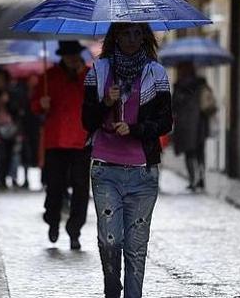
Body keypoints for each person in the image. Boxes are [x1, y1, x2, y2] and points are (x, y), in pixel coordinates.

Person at [83, 22, 172, 298]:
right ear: (115, 37)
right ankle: (112, 287)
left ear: (144, 37)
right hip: (105, 170)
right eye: (125, 33)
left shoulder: (155, 74)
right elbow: (86, 121)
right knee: (110, 241)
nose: (132, 39)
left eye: (137, 33)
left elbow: (165, 122)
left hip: (143, 173)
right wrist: (106, 104)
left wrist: (134, 129)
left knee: (136, 248)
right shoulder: (98, 72)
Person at [30, 40, 91, 250]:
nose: (71, 59)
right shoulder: (49, 76)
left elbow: (98, 102)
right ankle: (53, 219)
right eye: (67, 55)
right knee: (54, 187)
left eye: (74, 55)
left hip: (81, 141)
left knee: (81, 188)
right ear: (62, 56)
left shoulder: (89, 75)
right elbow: (35, 106)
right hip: (55, 140)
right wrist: (41, 104)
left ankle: (75, 229)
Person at [172, 61, 217, 191]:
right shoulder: (201, 83)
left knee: (189, 154)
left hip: (185, 126)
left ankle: (193, 179)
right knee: (200, 153)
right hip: (200, 124)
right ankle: (201, 178)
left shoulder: (179, 86)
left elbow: (173, 106)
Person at [0, 68, 19, 190]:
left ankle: (6, 177)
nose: (0, 83)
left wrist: (8, 102)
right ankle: (0, 179)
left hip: (11, 128)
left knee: (8, 155)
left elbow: (17, 109)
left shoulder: (12, 93)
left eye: (2, 80)